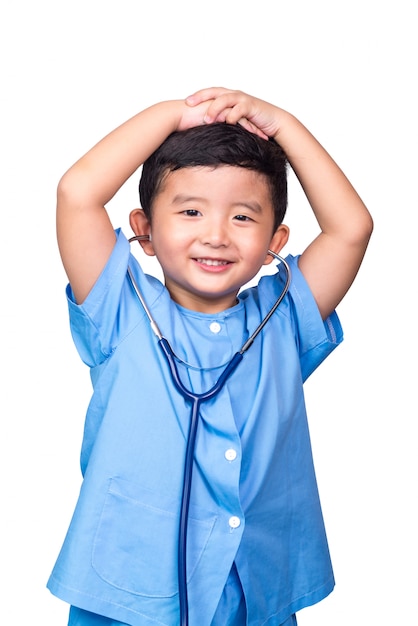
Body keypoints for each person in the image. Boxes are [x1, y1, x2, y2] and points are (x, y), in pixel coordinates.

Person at [47, 87, 373, 626]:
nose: (216, 235)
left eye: (243, 217)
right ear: (144, 230)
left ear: (276, 238)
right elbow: (76, 192)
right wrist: (174, 116)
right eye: (191, 211)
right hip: (132, 591)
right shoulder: (120, 312)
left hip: (251, 590)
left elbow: (351, 228)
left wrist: (285, 126)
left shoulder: (283, 320)